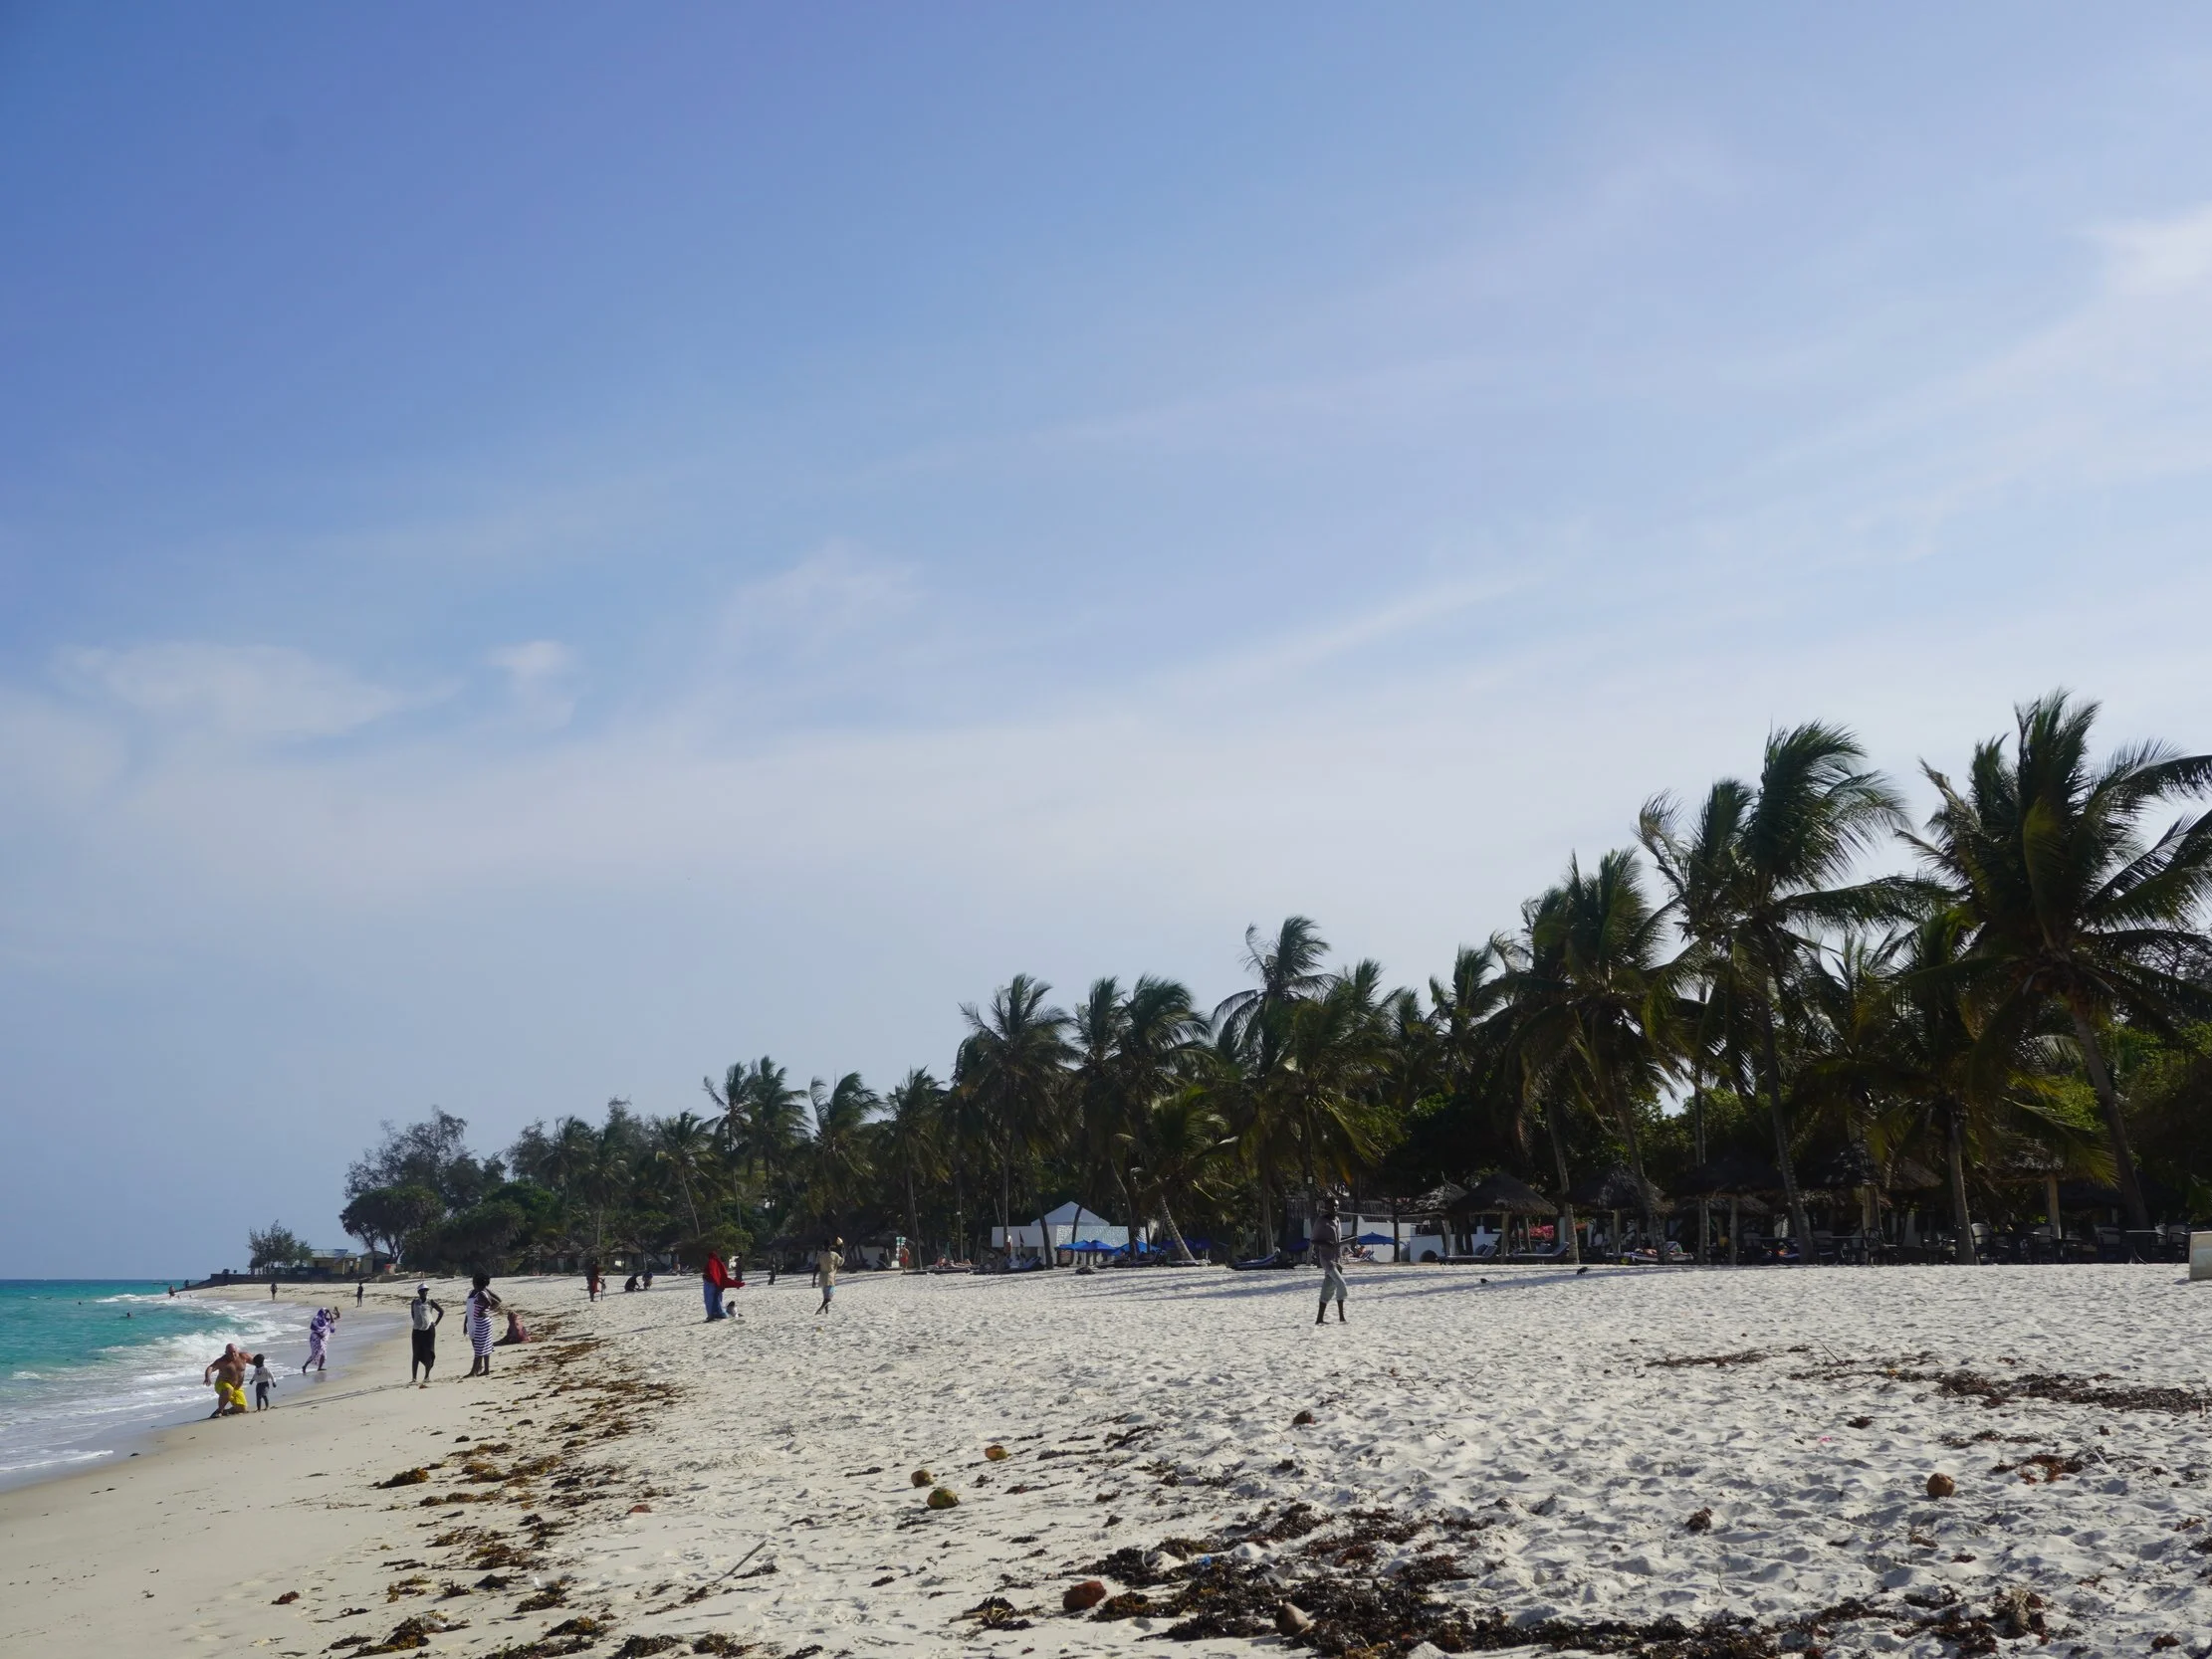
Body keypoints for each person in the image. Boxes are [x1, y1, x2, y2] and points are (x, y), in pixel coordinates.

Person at [1314, 1206, 1348, 1326]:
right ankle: (1342, 1317)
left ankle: (1319, 1319)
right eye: (1331, 1205)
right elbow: (1314, 1240)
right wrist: (1325, 1243)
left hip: (1337, 1258)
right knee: (1341, 1283)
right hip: (1326, 1258)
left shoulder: (1338, 1220)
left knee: (1328, 1287)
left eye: (1336, 1206)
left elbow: (1338, 1240)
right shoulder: (1321, 1221)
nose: (1334, 1208)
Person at [464, 1275, 503, 1377]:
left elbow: (497, 1301)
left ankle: (474, 1371)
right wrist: (465, 1323)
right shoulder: (472, 1292)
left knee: (479, 1347)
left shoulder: (483, 1291)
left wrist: (485, 1311)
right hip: (473, 1321)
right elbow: (469, 1310)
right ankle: (482, 1369)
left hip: (479, 1322)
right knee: (483, 1346)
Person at [408, 1284, 444, 1388]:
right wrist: (416, 1322)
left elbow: (441, 1311)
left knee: (428, 1352)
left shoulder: (430, 1301)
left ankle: (426, 1376)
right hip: (416, 1330)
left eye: (425, 1291)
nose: (424, 1292)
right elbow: (413, 1314)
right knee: (415, 1354)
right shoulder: (414, 1302)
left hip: (429, 1330)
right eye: (422, 1291)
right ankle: (414, 1378)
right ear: (418, 1292)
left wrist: (435, 1322)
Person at [203, 1346, 251, 1417]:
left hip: (236, 1387)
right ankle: (220, 1410)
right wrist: (207, 1377)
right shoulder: (222, 1361)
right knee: (229, 1389)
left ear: (237, 1351)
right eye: (229, 1353)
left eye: (234, 1352)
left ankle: (226, 1411)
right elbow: (211, 1367)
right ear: (225, 1353)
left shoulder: (244, 1356)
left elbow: (256, 1361)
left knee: (242, 1409)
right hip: (222, 1384)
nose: (232, 1354)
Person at [816, 1238, 843, 1316]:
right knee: (829, 1298)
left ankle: (827, 1313)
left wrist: (813, 1280)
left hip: (822, 1278)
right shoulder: (834, 1254)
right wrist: (841, 1249)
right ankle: (820, 1310)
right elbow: (841, 1262)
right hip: (830, 1278)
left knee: (825, 1297)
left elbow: (816, 1267)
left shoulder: (819, 1254)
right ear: (830, 1246)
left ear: (823, 1245)